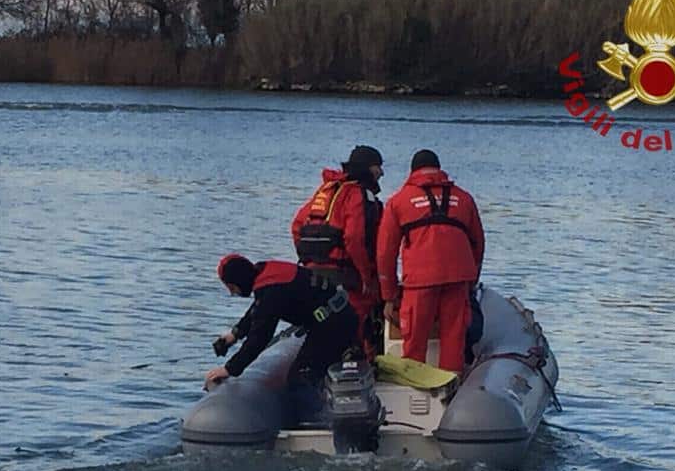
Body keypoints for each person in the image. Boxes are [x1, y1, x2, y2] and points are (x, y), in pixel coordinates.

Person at [376, 149, 485, 373]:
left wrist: (388, 296)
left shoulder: (398, 201)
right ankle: (450, 388)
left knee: (415, 339)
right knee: (454, 338)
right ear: (439, 169)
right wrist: (471, 280)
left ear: (413, 171)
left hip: (419, 280)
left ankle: (416, 387)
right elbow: (478, 243)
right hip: (458, 277)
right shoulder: (464, 198)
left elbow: (385, 253)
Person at [204, 254, 360, 391]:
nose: (232, 293)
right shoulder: (265, 272)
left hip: (334, 325)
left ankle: (316, 418)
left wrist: (230, 369)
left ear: (238, 282)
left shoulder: (272, 292)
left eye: (231, 288)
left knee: (300, 378)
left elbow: (259, 338)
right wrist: (235, 334)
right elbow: (258, 308)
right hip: (338, 316)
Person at [290, 144, 385, 357]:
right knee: (358, 317)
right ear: (369, 169)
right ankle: (358, 359)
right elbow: (354, 238)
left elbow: (297, 226)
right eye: (379, 167)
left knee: (322, 319)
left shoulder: (326, 191)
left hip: (313, 273)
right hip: (345, 274)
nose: (381, 173)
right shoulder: (357, 195)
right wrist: (366, 277)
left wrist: (308, 259)